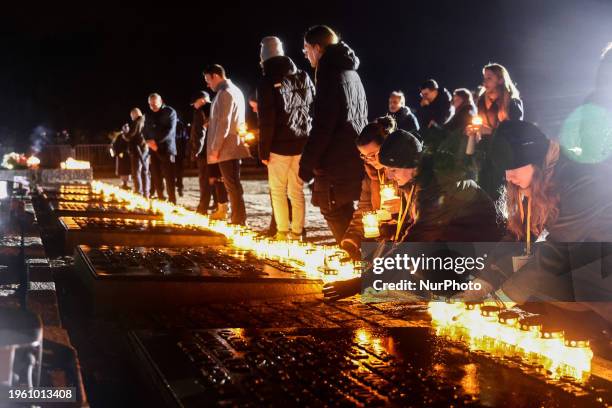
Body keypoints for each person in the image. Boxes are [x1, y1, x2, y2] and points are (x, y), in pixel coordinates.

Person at [323, 128, 502, 301]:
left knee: (422, 264)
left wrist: (360, 283)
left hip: (482, 252)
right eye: (387, 169)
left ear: (412, 165)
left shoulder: (439, 186)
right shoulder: (418, 180)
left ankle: (465, 293)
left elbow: (413, 244)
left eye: (393, 170)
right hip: (456, 244)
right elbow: (408, 233)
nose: (390, 176)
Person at [460, 120, 612, 323]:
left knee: (555, 279)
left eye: (513, 167)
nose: (508, 176)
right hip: (581, 260)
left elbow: (558, 253)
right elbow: (518, 235)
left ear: (535, 160)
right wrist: (481, 284)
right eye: (505, 169)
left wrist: (501, 300)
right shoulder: (538, 178)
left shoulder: (583, 180)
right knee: (513, 263)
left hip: (600, 270)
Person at [299, 25, 368, 243]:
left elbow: (323, 125)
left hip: (335, 158)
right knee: (342, 206)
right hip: (352, 152)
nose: (305, 54)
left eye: (306, 48)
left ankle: (355, 258)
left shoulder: (329, 72)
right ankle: (357, 258)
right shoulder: (350, 71)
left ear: (317, 48)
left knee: (332, 207)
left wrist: (306, 165)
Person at [257, 36, 315, 241]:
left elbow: (267, 120)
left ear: (263, 57)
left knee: (278, 191)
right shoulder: (303, 75)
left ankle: (282, 232)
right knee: (297, 191)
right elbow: (312, 108)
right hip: (302, 143)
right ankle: (297, 233)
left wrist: (263, 151)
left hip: (278, 148)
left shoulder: (266, 81)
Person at [340, 116, 397, 260]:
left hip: (402, 243)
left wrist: (401, 209)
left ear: (388, 146)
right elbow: (365, 208)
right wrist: (352, 238)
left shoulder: (403, 173)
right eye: (365, 157)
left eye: (373, 155)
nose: (370, 161)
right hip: (381, 240)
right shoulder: (372, 174)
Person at [468, 63, 524, 201]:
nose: (484, 82)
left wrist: (491, 131)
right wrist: (473, 130)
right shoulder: (481, 100)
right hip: (484, 153)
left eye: (489, 78)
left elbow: (516, 133)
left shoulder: (512, 102)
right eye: (484, 78)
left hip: (504, 155)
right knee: (483, 192)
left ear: (500, 80)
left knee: (500, 194)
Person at [204, 64, 251, 225]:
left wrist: (215, 148)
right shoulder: (234, 90)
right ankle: (238, 218)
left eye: (208, 80)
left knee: (232, 185)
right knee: (232, 184)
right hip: (232, 144)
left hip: (227, 147)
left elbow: (224, 123)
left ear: (216, 76)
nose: (207, 84)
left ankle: (239, 220)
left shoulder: (225, 93)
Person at [144, 93, 178, 203]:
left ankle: (172, 200)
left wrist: (156, 142)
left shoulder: (170, 112)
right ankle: (160, 198)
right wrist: (148, 142)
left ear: (161, 101)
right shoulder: (148, 115)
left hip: (166, 149)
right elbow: (144, 130)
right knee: (156, 175)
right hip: (152, 150)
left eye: (154, 104)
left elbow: (169, 131)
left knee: (169, 177)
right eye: (150, 105)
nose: (152, 107)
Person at [123, 108, 149, 197]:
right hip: (145, 148)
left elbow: (130, 135)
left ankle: (139, 191)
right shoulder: (146, 121)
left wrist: (125, 134)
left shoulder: (137, 122)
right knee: (144, 171)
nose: (131, 118)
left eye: (131, 116)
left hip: (138, 149)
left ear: (134, 114)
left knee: (136, 171)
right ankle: (146, 192)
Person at [174, 117, 189, 197]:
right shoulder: (181, 125)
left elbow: (185, 139)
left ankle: (178, 187)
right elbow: (185, 139)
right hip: (178, 152)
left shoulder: (179, 125)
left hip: (176, 152)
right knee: (179, 171)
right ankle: (179, 187)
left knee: (176, 171)